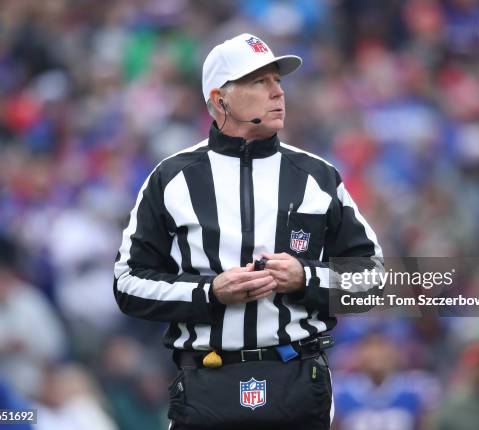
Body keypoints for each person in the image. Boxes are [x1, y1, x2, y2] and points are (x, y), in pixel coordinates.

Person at [113, 33, 383, 430]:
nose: (277, 92)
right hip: (205, 381)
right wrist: (210, 292)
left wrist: (305, 277)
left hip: (297, 380)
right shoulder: (172, 179)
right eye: (260, 81)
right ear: (219, 98)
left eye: (278, 81)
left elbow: (374, 279)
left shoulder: (317, 176)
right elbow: (127, 285)